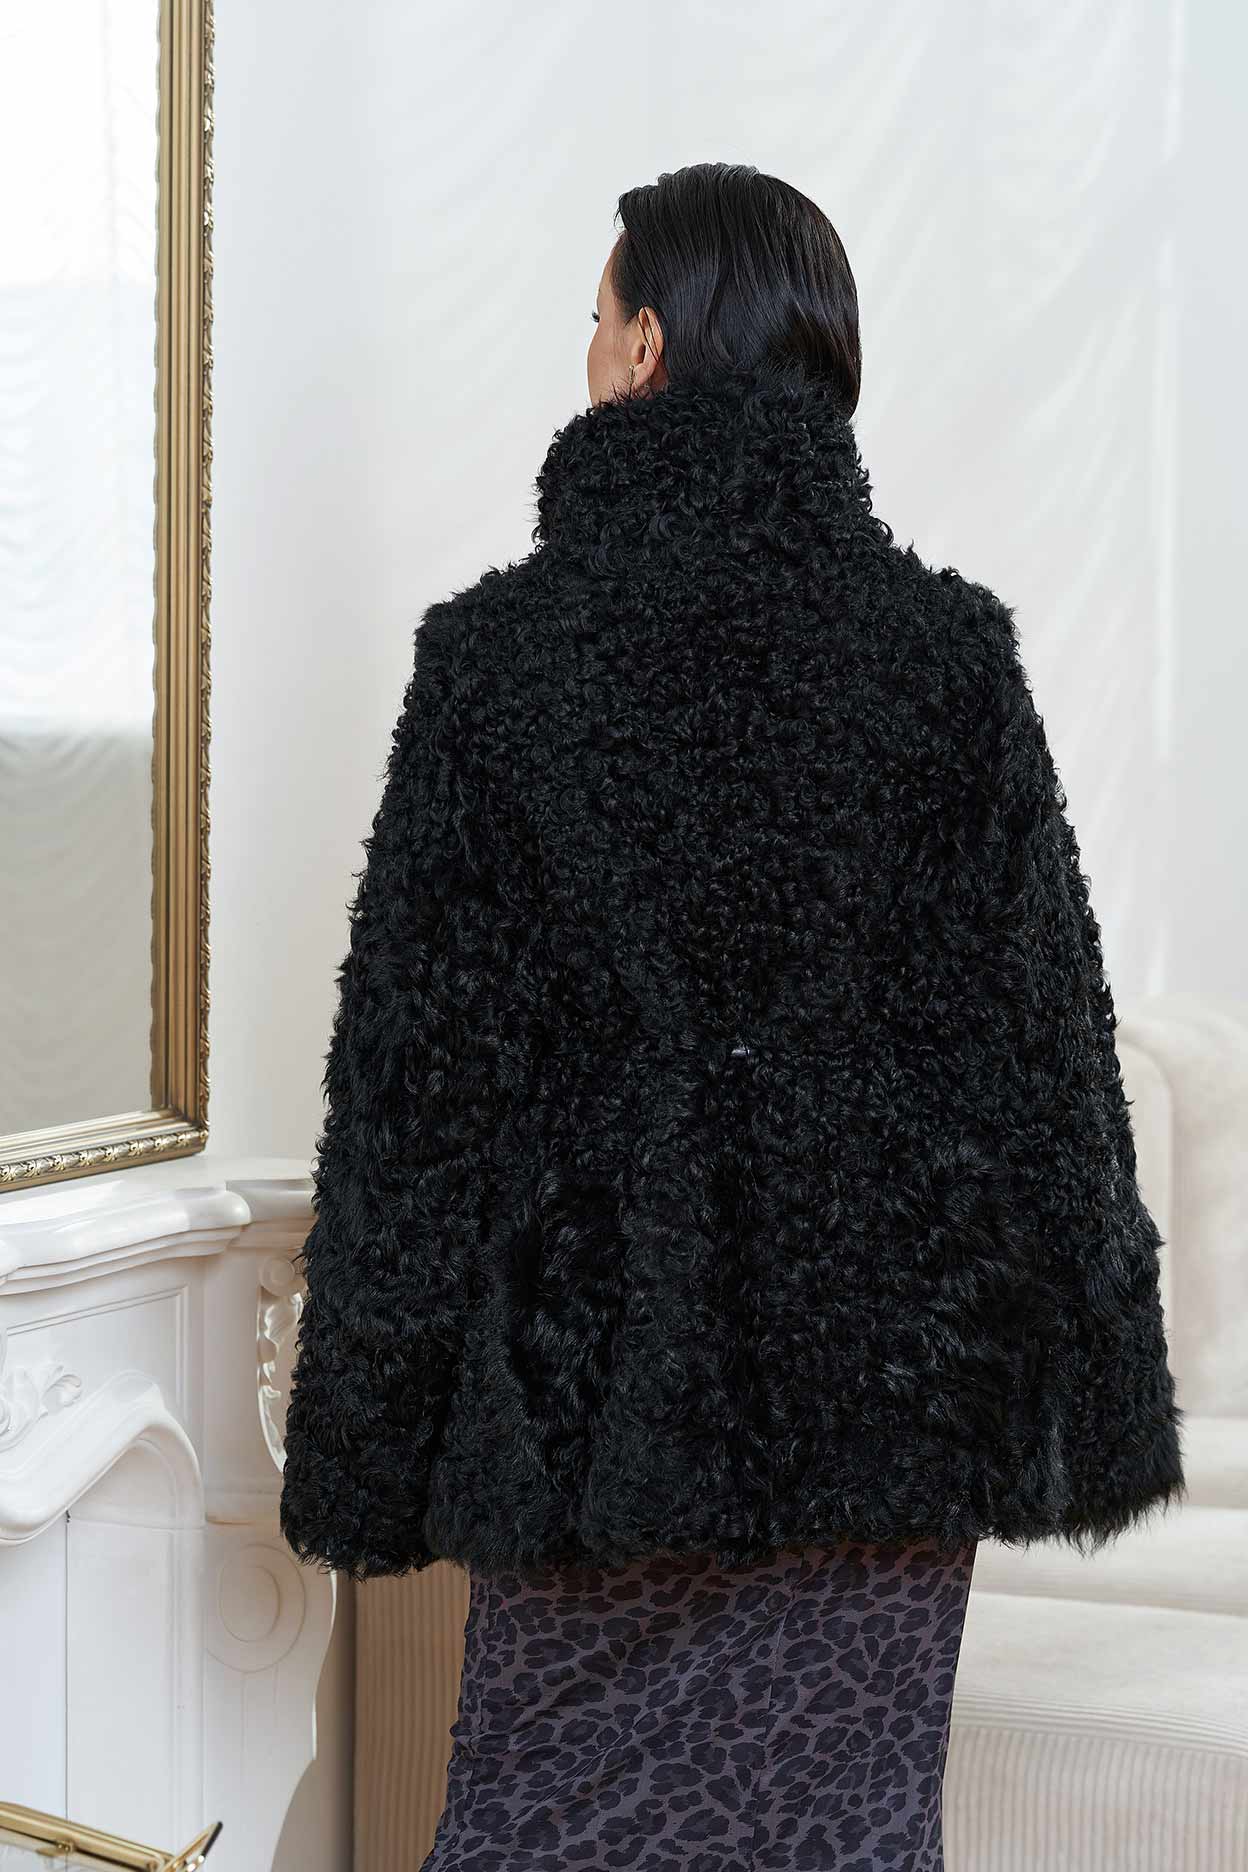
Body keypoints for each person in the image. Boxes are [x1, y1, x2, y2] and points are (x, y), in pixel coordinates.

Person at [278, 162, 1185, 1871]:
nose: (589, 349)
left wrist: (367, 1449)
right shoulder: (946, 655)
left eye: (596, 317)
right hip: (889, 1404)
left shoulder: (498, 660)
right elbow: (1045, 1058)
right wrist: (1089, 1389)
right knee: (842, 1838)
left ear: (644, 350)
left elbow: (416, 1087)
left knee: (546, 1827)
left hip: (594, 1406)